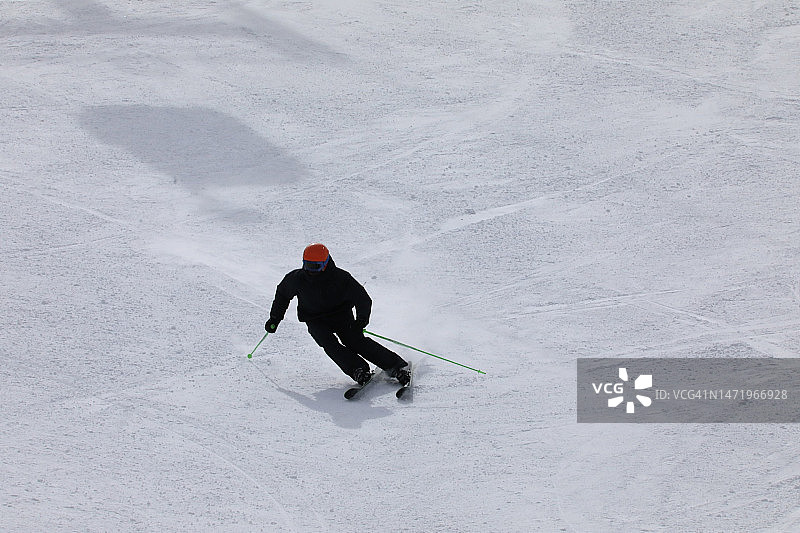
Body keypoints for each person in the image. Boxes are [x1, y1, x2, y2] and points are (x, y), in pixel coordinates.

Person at [265, 243, 410, 386]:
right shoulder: (296, 278)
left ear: (326, 263)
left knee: (354, 340)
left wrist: (361, 321)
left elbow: (362, 299)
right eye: (308, 265)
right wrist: (275, 319)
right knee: (329, 344)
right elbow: (282, 296)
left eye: (315, 266)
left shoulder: (341, 278)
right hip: (315, 319)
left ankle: (397, 367)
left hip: (341, 316)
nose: (311, 271)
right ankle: (357, 370)